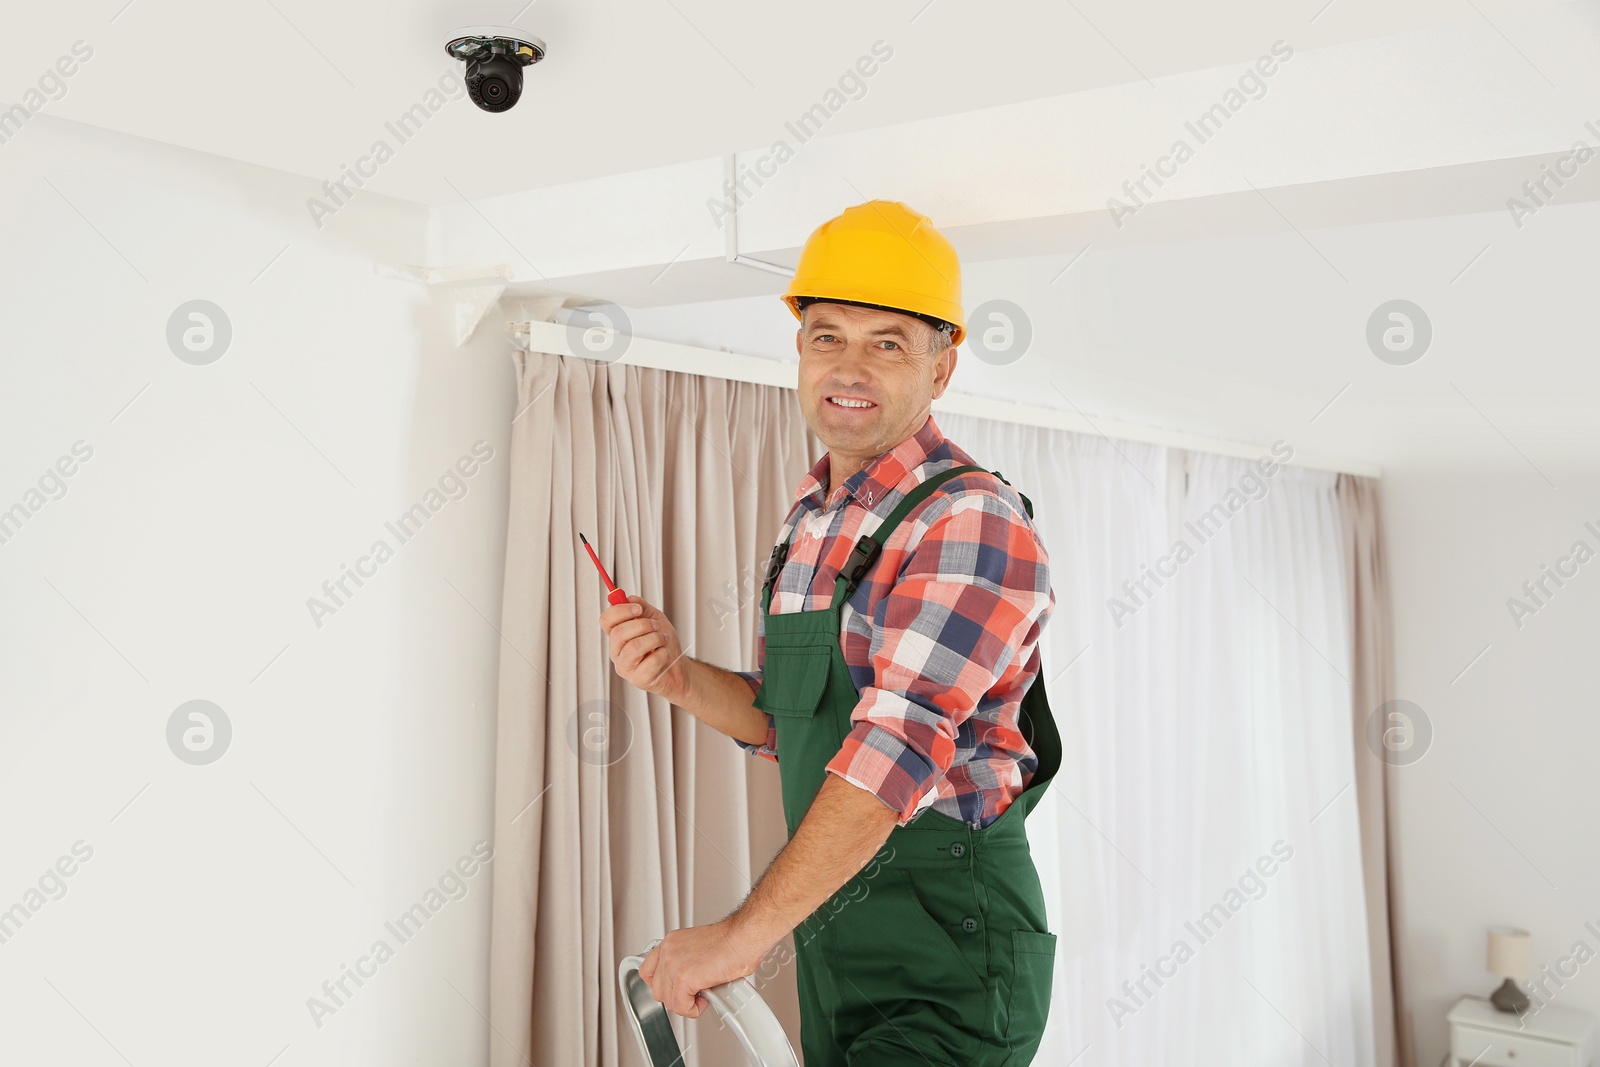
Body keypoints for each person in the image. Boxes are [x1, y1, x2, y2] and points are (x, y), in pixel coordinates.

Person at [600, 200, 1061, 1065]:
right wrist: (677, 675)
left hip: (951, 957)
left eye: (888, 342)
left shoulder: (969, 520)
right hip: (836, 938)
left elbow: (894, 747)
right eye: (826, 336)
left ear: (942, 365)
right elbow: (793, 722)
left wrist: (740, 935)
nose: (850, 365)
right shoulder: (811, 521)